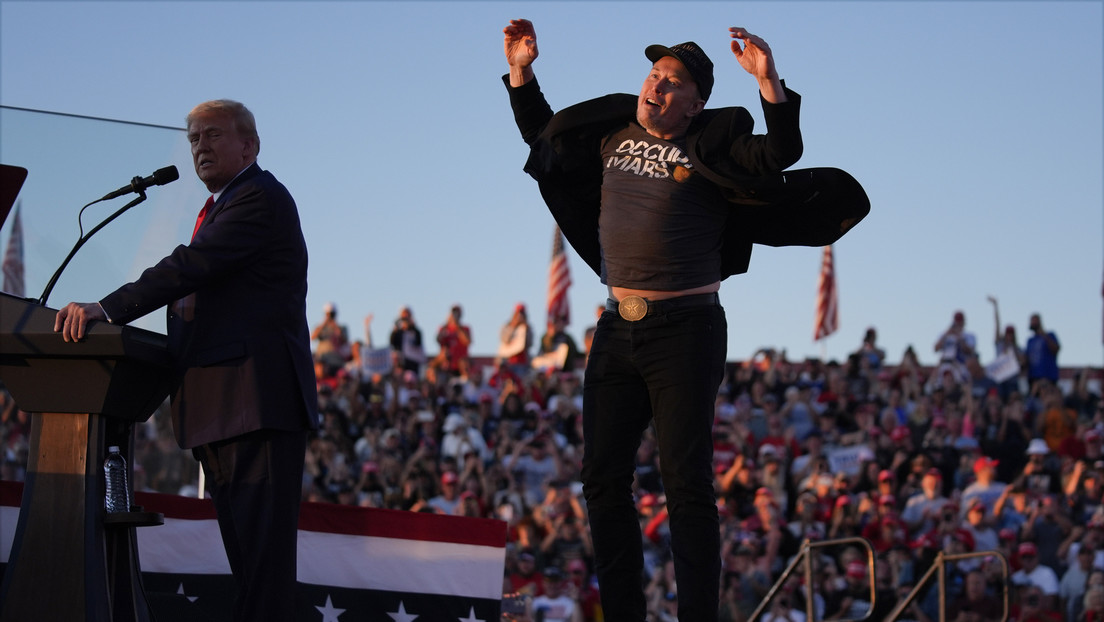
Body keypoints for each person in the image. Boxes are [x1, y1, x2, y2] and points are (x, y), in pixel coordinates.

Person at [503, 18, 867, 621]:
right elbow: (543, 137)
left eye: (674, 82)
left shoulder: (713, 143)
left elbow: (780, 153)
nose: (658, 86)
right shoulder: (612, 132)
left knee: (686, 485)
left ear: (696, 103)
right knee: (601, 479)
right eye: (654, 74)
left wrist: (768, 81)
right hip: (618, 326)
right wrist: (521, 72)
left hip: (686, 330)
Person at [54, 99, 317, 622]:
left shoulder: (259, 198)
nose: (199, 146)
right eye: (193, 137)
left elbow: (190, 266)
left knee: (263, 576)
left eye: (213, 135)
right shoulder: (222, 206)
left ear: (250, 145)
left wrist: (108, 308)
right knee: (249, 571)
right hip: (220, 411)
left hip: (254, 409)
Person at [1025, 313, 1061, 389]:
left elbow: (1056, 349)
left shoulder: (1050, 335)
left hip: (1049, 376)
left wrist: (1043, 334)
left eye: (1034, 321)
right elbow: (1026, 359)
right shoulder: (1030, 341)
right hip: (1033, 378)